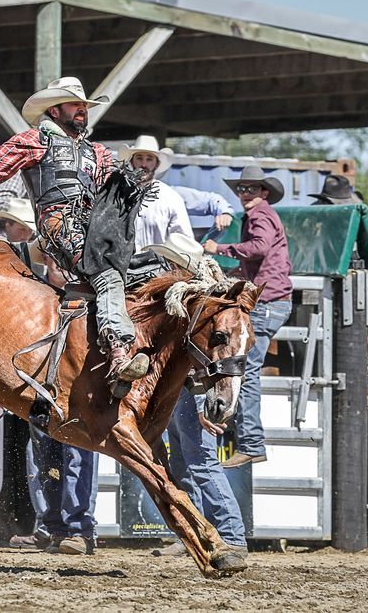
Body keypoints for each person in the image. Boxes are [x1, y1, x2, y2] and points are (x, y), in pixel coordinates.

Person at [0, 76, 149, 395]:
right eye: (75, 105)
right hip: (59, 225)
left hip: (92, 230)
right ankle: (119, 352)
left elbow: (109, 195)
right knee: (107, 275)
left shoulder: (98, 153)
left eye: (84, 106)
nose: (82, 110)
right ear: (53, 111)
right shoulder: (36, 140)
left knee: (147, 272)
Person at [143, 233, 248, 557]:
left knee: (200, 460)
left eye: (169, 261)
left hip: (192, 390)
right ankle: (196, 532)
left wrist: (204, 401)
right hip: (182, 389)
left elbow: (206, 356)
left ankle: (232, 534)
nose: (164, 266)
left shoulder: (201, 303)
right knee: (185, 460)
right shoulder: (192, 298)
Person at [9, 255, 101, 555]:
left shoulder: (88, 306)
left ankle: (78, 529)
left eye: (61, 263)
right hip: (43, 392)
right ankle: (55, 527)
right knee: (45, 460)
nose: (56, 268)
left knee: (74, 459)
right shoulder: (39, 302)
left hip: (75, 394)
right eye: (52, 262)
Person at [203, 165, 292, 468]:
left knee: (246, 371)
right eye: (242, 190)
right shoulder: (262, 214)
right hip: (272, 300)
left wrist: (219, 248)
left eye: (251, 189)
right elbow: (260, 258)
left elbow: (259, 248)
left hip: (267, 302)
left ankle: (252, 442)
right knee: (243, 368)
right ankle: (238, 429)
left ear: (264, 193)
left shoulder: (259, 215)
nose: (245, 194)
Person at [119, 135, 192, 251]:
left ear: (157, 164)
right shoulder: (117, 194)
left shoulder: (171, 198)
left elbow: (184, 241)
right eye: (139, 158)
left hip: (158, 266)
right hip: (120, 267)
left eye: (149, 159)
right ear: (132, 162)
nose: (144, 164)